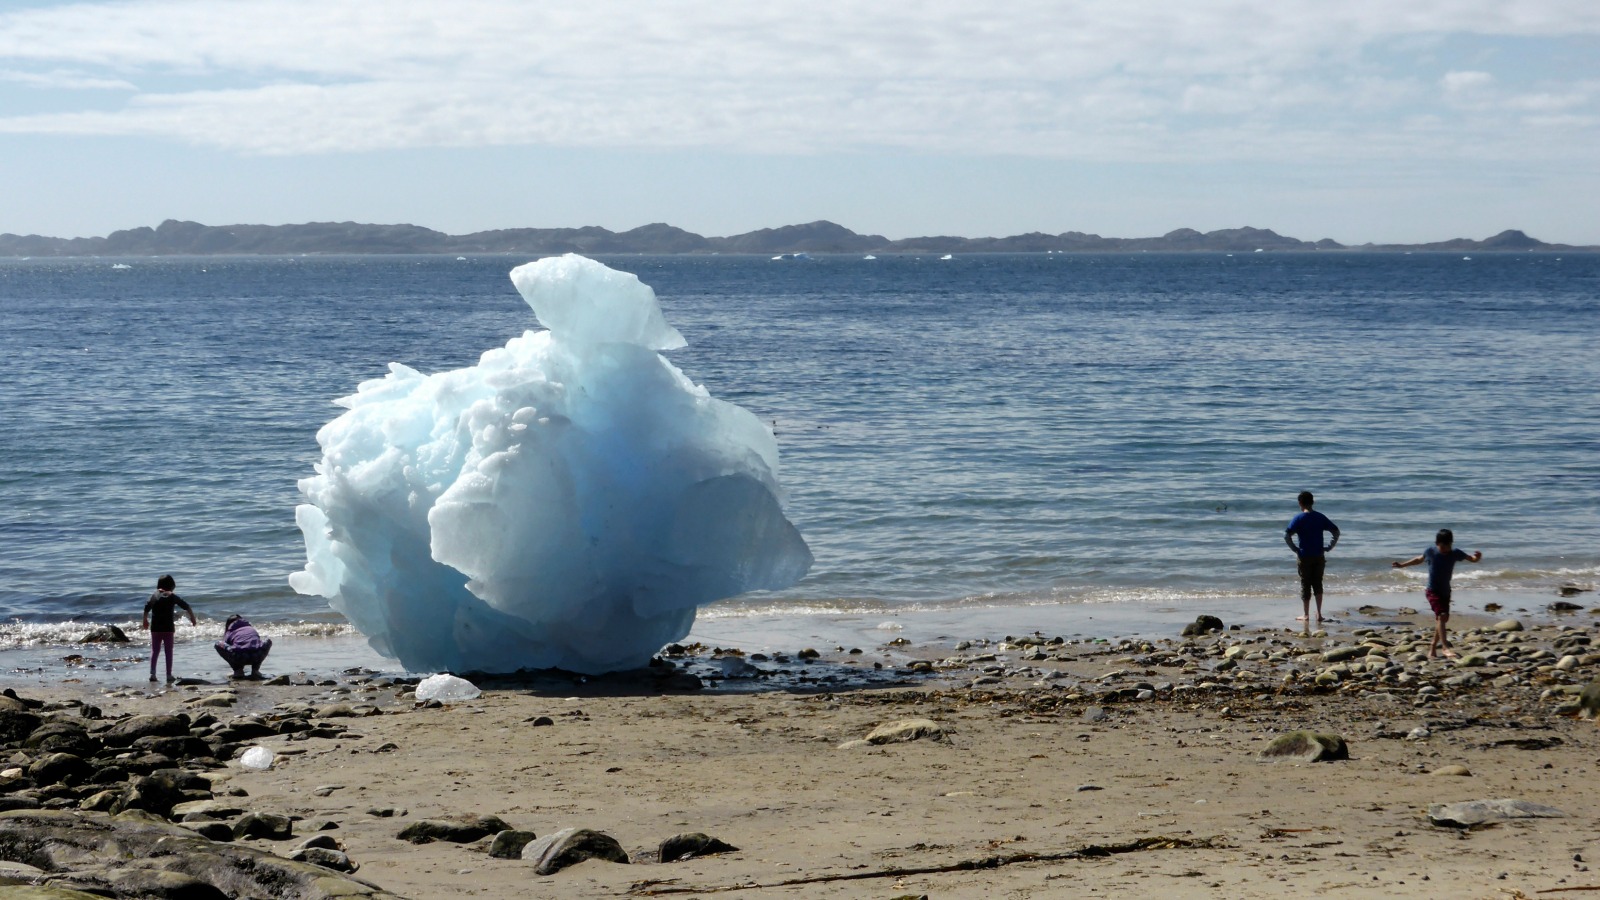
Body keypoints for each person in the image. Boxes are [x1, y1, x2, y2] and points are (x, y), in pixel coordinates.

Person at [1393, 528, 1483, 659]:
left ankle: (1433, 647)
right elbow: (1419, 559)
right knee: (1441, 616)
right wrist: (1402, 565)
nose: (1446, 548)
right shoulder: (1431, 552)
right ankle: (1445, 648)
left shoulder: (1455, 553)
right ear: (1437, 543)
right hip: (1432, 591)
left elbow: (1471, 559)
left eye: (1449, 545)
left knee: (1442, 619)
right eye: (1443, 546)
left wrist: (1477, 558)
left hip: (1445, 591)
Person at [1284, 490, 1340, 627]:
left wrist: (1295, 549)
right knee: (1318, 583)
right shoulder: (1320, 517)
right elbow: (1336, 531)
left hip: (1304, 555)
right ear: (1313, 502)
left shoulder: (1298, 518)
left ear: (1300, 503)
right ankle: (1319, 614)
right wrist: (1330, 547)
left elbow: (1287, 535)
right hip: (1319, 555)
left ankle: (1306, 614)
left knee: (1305, 583)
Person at [141, 574, 196, 683]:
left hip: (155, 628)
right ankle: (168, 675)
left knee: (155, 650)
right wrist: (193, 618)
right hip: (168, 628)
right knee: (168, 651)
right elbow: (186, 606)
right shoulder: (172, 596)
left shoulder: (154, 595)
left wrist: (145, 620)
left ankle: (153, 674)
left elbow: (147, 608)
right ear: (171, 586)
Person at [215, 614, 272, 679]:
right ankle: (255, 670)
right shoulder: (250, 629)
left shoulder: (230, 630)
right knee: (267, 640)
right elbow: (257, 643)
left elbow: (226, 644)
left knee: (218, 644)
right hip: (257, 656)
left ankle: (238, 671)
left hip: (240, 657)